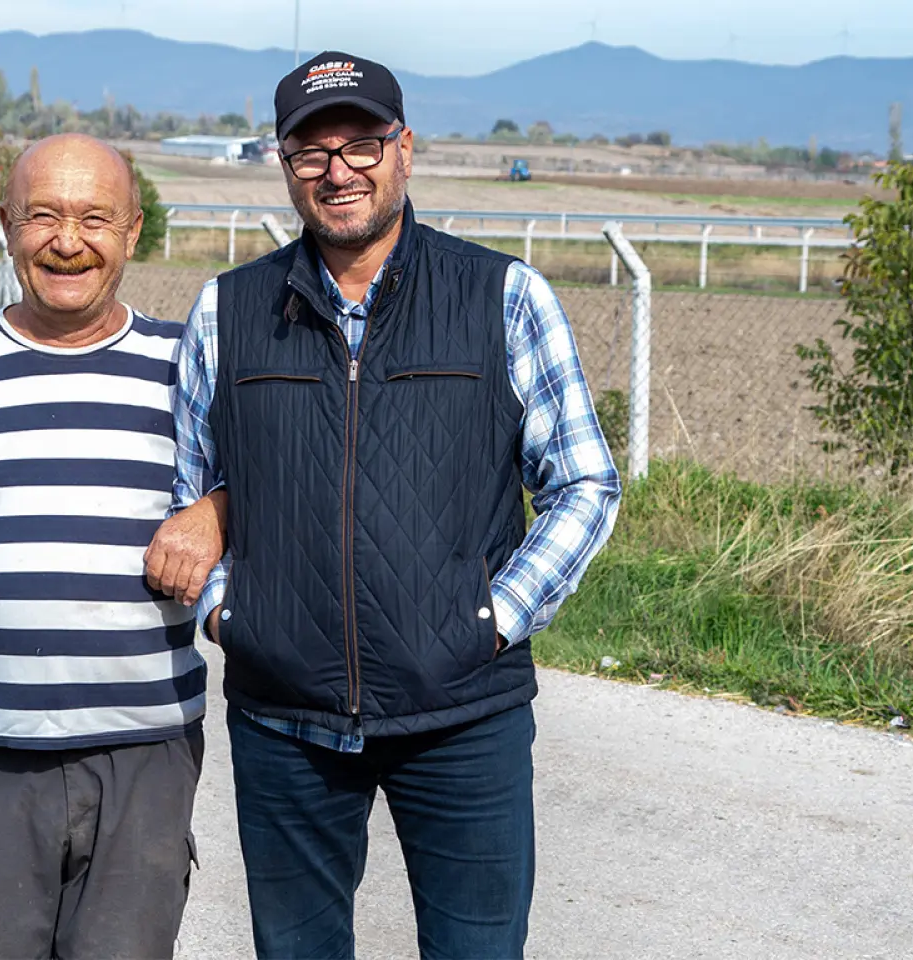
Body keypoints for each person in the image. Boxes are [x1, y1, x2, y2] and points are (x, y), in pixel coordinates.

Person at [159, 52, 622, 959]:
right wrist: (231, 615)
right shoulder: (228, 311)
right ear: (284, 165)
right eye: (310, 152)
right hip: (284, 720)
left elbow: (584, 482)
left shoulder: (504, 297)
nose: (339, 170)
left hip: (463, 716)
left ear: (405, 149)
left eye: (362, 142)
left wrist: (496, 617)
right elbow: (193, 487)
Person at [0, 133, 224, 960]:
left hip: (146, 751)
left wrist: (218, 511)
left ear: (133, 230)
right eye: (42, 216)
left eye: (95, 217)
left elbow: (271, 485)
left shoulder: (185, 367)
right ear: (6, 224)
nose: (68, 241)